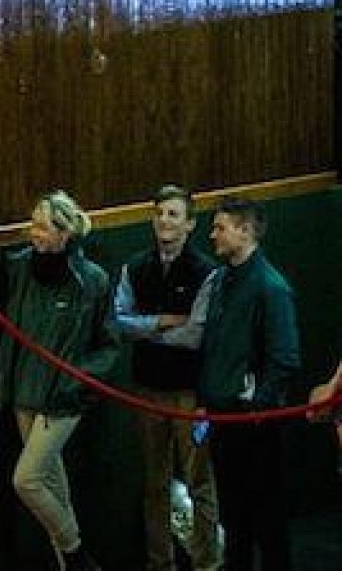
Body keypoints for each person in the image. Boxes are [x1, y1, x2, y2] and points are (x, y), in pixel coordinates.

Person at [0, 190, 117, 571]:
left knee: (26, 480)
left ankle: (76, 553)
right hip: (23, 391)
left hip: (62, 397)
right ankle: (70, 564)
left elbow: (107, 344)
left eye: (43, 227)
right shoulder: (21, 268)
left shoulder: (91, 280)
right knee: (53, 487)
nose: (34, 233)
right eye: (33, 225)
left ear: (65, 234)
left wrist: (79, 380)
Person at [110, 185, 221, 571]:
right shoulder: (135, 267)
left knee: (199, 483)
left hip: (190, 393)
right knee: (154, 484)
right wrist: (158, 321)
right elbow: (119, 322)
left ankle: (208, 561)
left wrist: (148, 330)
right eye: (159, 214)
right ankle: (161, 563)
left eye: (173, 214)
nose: (165, 221)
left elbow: (195, 334)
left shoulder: (207, 272)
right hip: (146, 391)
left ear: (189, 223)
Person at [199, 198, 299, 571]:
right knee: (234, 517)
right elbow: (214, 346)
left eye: (220, 227)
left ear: (244, 230)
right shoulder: (224, 280)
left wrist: (258, 409)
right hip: (224, 417)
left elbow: (284, 356)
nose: (213, 235)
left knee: (267, 518)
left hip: (255, 424)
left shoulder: (270, 288)